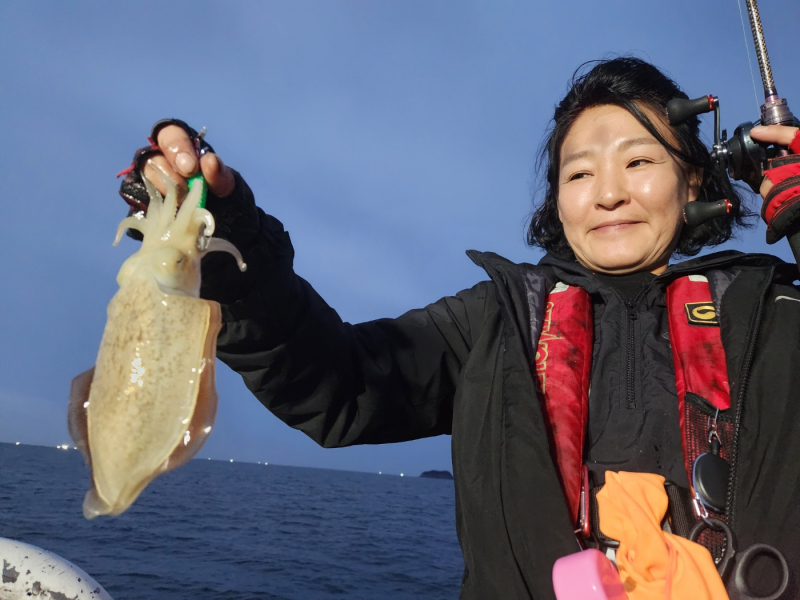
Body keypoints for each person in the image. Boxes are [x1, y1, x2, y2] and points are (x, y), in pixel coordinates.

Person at [119, 57, 800, 598]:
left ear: (692, 182)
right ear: (557, 201)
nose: (608, 191)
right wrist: (228, 239)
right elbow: (337, 383)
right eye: (579, 171)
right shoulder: (493, 324)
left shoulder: (775, 320)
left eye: (640, 161)